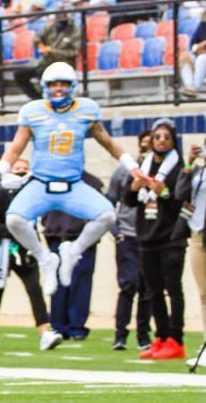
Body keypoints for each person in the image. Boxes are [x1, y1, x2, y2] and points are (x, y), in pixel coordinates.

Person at [0, 62, 145, 297]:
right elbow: (15, 148)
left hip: (73, 186)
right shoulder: (33, 111)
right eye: (53, 84)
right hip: (41, 184)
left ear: (73, 86)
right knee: (14, 220)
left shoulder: (86, 110)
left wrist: (132, 167)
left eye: (63, 84)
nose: (59, 89)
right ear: (44, 86)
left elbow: (109, 144)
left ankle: (74, 251)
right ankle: (45, 259)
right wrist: (1, 168)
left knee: (107, 216)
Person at [0, 159, 60, 351]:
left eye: (25, 169)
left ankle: (44, 332)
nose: (22, 172)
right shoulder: (2, 194)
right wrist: (11, 232)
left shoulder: (33, 196)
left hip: (25, 250)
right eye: (18, 169)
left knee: (34, 287)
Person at [125, 119, 189, 361]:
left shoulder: (179, 167)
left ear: (173, 141)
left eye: (166, 137)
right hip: (146, 235)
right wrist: (134, 187)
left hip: (171, 237)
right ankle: (161, 337)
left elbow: (180, 202)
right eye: (157, 136)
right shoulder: (144, 164)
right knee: (153, 291)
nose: (161, 140)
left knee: (173, 288)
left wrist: (162, 191)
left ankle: (176, 339)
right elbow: (130, 201)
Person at [106, 130, 154, 351]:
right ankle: (120, 334)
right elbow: (108, 203)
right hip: (128, 235)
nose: (146, 150)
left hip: (151, 237)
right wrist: (116, 232)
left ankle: (144, 336)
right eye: (143, 146)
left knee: (148, 288)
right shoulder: (123, 172)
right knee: (129, 285)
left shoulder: (161, 173)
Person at [42, 172, 104, 340]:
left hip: (83, 241)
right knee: (58, 284)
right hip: (57, 237)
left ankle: (76, 326)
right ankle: (58, 325)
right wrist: (49, 226)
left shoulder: (92, 183)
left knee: (80, 283)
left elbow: (101, 213)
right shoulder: (50, 180)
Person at [176, 136, 206, 366]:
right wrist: (189, 164)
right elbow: (179, 195)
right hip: (198, 232)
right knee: (204, 293)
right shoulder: (197, 170)